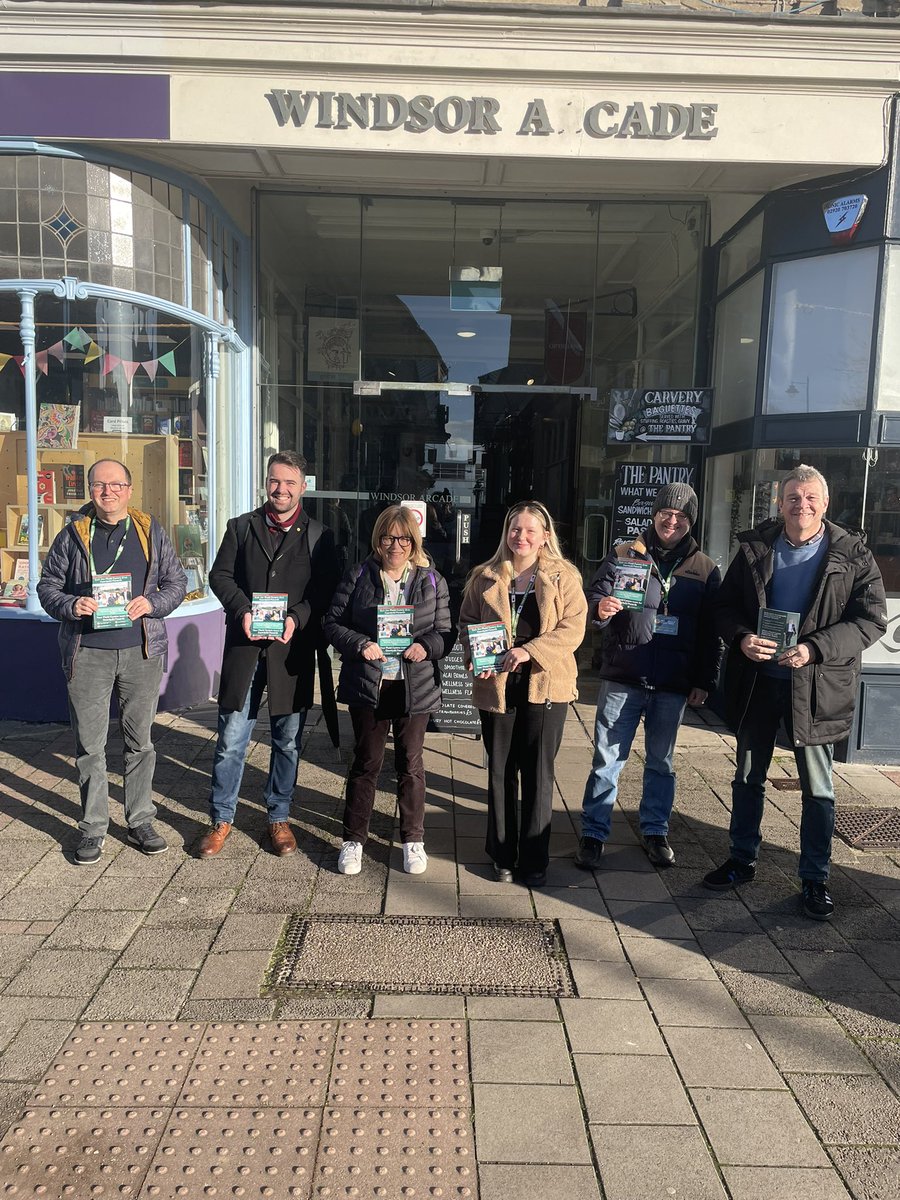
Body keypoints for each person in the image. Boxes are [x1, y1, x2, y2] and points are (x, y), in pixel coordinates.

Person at [705, 464, 886, 920]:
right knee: (747, 777)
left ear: (825, 504)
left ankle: (814, 879)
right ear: (779, 503)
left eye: (810, 498)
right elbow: (723, 608)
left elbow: (870, 622)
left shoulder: (852, 554)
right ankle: (741, 859)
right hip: (758, 682)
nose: (800, 505)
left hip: (817, 689)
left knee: (818, 790)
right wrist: (742, 637)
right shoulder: (755, 548)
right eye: (792, 497)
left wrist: (814, 649)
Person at [37, 458, 187, 865]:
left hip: (140, 652)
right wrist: (72, 604)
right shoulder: (72, 534)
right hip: (87, 655)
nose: (108, 492)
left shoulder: (149, 530)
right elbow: (47, 586)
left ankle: (140, 819)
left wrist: (152, 603)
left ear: (129, 488)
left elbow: (177, 582)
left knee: (141, 742)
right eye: (100, 485)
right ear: (90, 490)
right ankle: (93, 828)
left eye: (116, 484)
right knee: (90, 745)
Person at [201, 451, 340, 858]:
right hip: (245, 649)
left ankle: (278, 816)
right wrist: (242, 610)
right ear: (267, 482)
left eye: (289, 483)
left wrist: (298, 617)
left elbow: (325, 591)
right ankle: (221, 818)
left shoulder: (320, 535)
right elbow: (219, 576)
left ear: (303, 487)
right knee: (230, 740)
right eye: (274, 481)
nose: (280, 490)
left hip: (289, 652)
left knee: (288, 741)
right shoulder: (241, 527)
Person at [576, 483, 722, 871]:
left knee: (661, 762)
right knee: (607, 758)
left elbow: (711, 632)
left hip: (673, 682)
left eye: (681, 516)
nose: (672, 521)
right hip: (625, 673)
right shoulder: (625, 554)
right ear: (654, 515)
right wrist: (601, 609)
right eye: (665, 513)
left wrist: (704, 680)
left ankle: (655, 831)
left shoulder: (705, 569)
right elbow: (591, 597)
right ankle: (594, 833)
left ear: (691, 521)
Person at [460, 501, 587, 887]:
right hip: (496, 684)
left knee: (538, 773)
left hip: (545, 683)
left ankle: (534, 859)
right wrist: (473, 654)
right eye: (516, 530)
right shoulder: (484, 576)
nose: (522, 537)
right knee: (500, 770)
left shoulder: (564, 576)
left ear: (545, 536)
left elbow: (574, 629)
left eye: (531, 531)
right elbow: (467, 621)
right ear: (507, 533)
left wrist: (528, 651)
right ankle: (501, 854)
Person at [324, 505, 454, 876]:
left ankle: (413, 840)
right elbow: (332, 622)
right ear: (377, 540)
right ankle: (353, 840)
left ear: (414, 542)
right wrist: (361, 643)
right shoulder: (359, 575)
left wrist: (426, 646)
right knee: (367, 763)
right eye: (387, 537)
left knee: (411, 765)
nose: (395, 545)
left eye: (403, 538)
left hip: (414, 684)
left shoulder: (432, 581)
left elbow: (446, 631)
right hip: (371, 681)